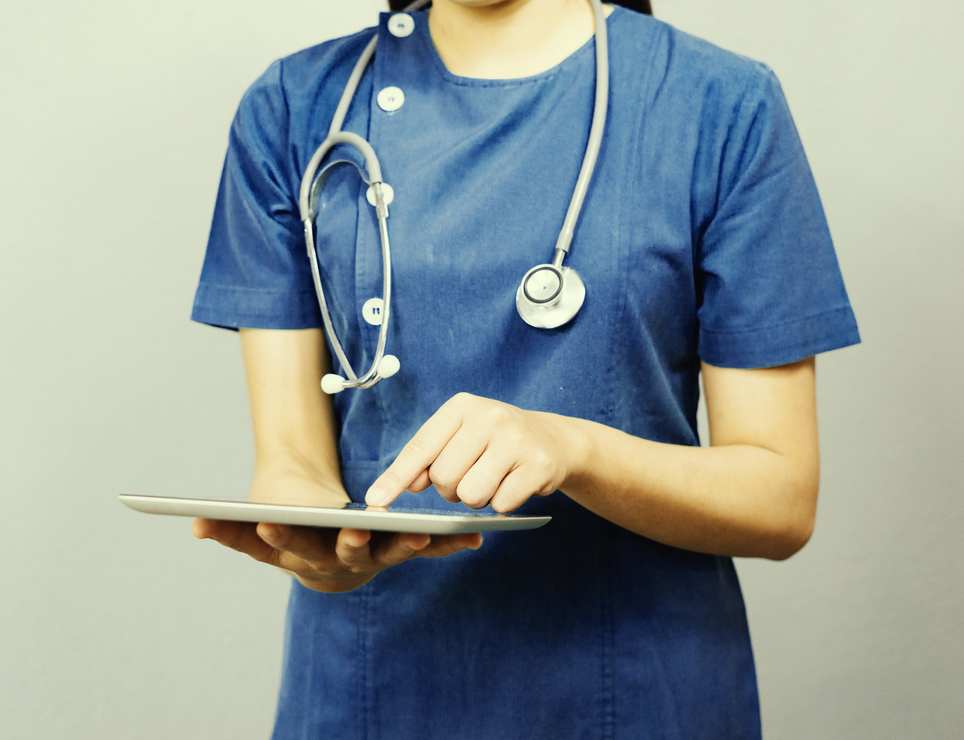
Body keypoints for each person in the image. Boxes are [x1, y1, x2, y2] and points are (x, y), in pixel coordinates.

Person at [189, 0, 859, 737]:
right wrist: (318, 550)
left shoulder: (722, 104)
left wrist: (576, 449)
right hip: (369, 683)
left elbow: (780, 499)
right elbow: (290, 462)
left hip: (638, 684)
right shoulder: (294, 107)